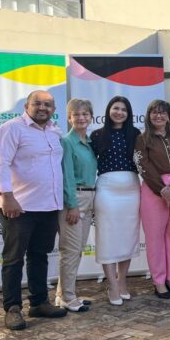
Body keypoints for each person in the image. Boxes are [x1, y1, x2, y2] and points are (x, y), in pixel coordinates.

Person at [0, 90, 67, 330]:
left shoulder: (55, 131)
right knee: (13, 259)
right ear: (27, 106)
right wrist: (7, 197)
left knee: (39, 256)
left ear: (54, 109)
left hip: (48, 206)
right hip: (19, 207)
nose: (43, 108)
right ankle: (12, 308)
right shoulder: (11, 129)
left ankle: (39, 302)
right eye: (38, 103)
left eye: (48, 104)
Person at [135, 100, 170, 299]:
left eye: (162, 113)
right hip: (153, 192)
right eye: (154, 113)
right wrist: (163, 191)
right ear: (148, 116)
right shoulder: (142, 139)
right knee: (155, 239)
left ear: (168, 115)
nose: (158, 116)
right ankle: (159, 281)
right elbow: (143, 166)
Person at [90, 96, 141, 306]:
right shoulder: (97, 135)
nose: (119, 112)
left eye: (123, 109)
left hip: (131, 189)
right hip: (107, 190)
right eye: (115, 108)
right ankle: (111, 285)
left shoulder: (136, 134)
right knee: (108, 237)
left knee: (128, 236)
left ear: (128, 114)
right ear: (108, 110)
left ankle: (122, 283)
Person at [56, 98, 97, 313]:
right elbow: (67, 177)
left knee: (77, 250)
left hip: (89, 198)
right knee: (70, 250)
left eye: (85, 114)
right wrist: (72, 205)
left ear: (91, 117)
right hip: (75, 199)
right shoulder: (67, 141)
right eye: (76, 114)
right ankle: (68, 298)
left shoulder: (88, 142)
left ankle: (62, 293)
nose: (81, 118)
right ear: (69, 117)